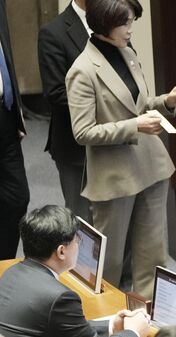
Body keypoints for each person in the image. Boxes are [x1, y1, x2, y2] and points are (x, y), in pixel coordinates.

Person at [66, 0, 176, 299]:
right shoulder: (82, 71)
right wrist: (134, 126)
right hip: (115, 177)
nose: (130, 30)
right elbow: (83, 132)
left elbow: (142, 105)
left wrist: (167, 102)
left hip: (151, 167)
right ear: (103, 25)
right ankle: (105, 323)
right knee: (108, 263)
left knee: (153, 256)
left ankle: (148, 321)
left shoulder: (128, 54)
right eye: (125, 23)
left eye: (132, 21)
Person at [0, 205, 150, 337]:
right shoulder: (60, 298)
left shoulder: (11, 273)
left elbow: (69, 328)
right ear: (61, 251)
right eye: (77, 241)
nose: (79, 245)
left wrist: (111, 324)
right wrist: (133, 332)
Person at [38, 0, 92, 223]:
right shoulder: (53, 33)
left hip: (116, 143)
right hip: (75, 146)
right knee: (82, 220)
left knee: (119, 219)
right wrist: (107, 104)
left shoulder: (114, 22)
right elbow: (56, 92)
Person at [0, 0, 30, 260]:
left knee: (17, 198)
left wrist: (16, 103)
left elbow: (5, 52)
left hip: (5, 116)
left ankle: (4, 266)